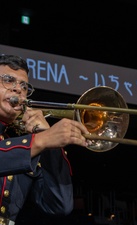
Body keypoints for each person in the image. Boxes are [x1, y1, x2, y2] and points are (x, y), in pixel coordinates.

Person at [0, 54, 89, 225]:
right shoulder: (29, 145)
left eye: (24, 86)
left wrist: (51, 147)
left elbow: (59, 205)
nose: (18, 89)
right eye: (8, 80)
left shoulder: (21, 142)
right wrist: (41, 140)